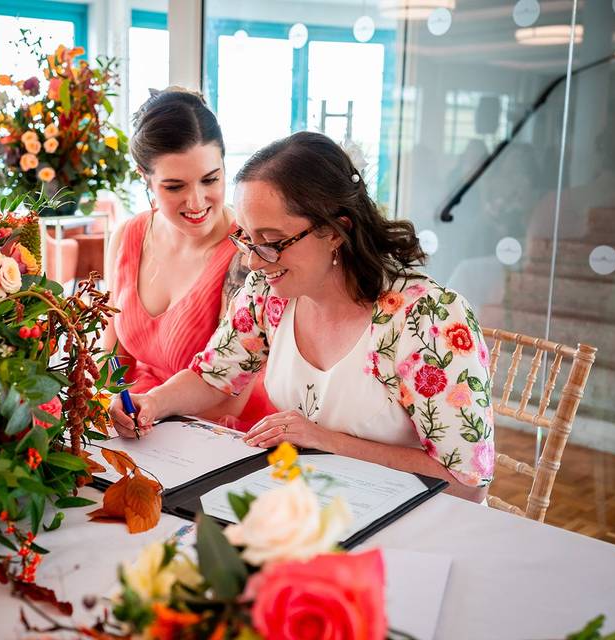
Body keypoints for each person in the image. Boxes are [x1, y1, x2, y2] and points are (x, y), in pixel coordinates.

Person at [109, 131, 495, 502]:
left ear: (334, 231)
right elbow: (213, 376)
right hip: (316, 502)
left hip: (418, 523)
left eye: (272, 242)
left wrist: (324, 441)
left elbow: (467, 482)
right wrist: (152, 403)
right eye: (246, 238)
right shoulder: (268, 294)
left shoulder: (428, 318)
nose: (252, 261)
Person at [102, 88, 274, 427]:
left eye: (211, 179)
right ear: (144, 177)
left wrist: (146, 411)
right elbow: (113, 365)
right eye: (175, 187)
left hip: (220, 427)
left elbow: (226, 398)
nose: (196, 202)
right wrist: (112, 411)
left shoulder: (246, 254)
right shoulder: (127, 236)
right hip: (145, 416)